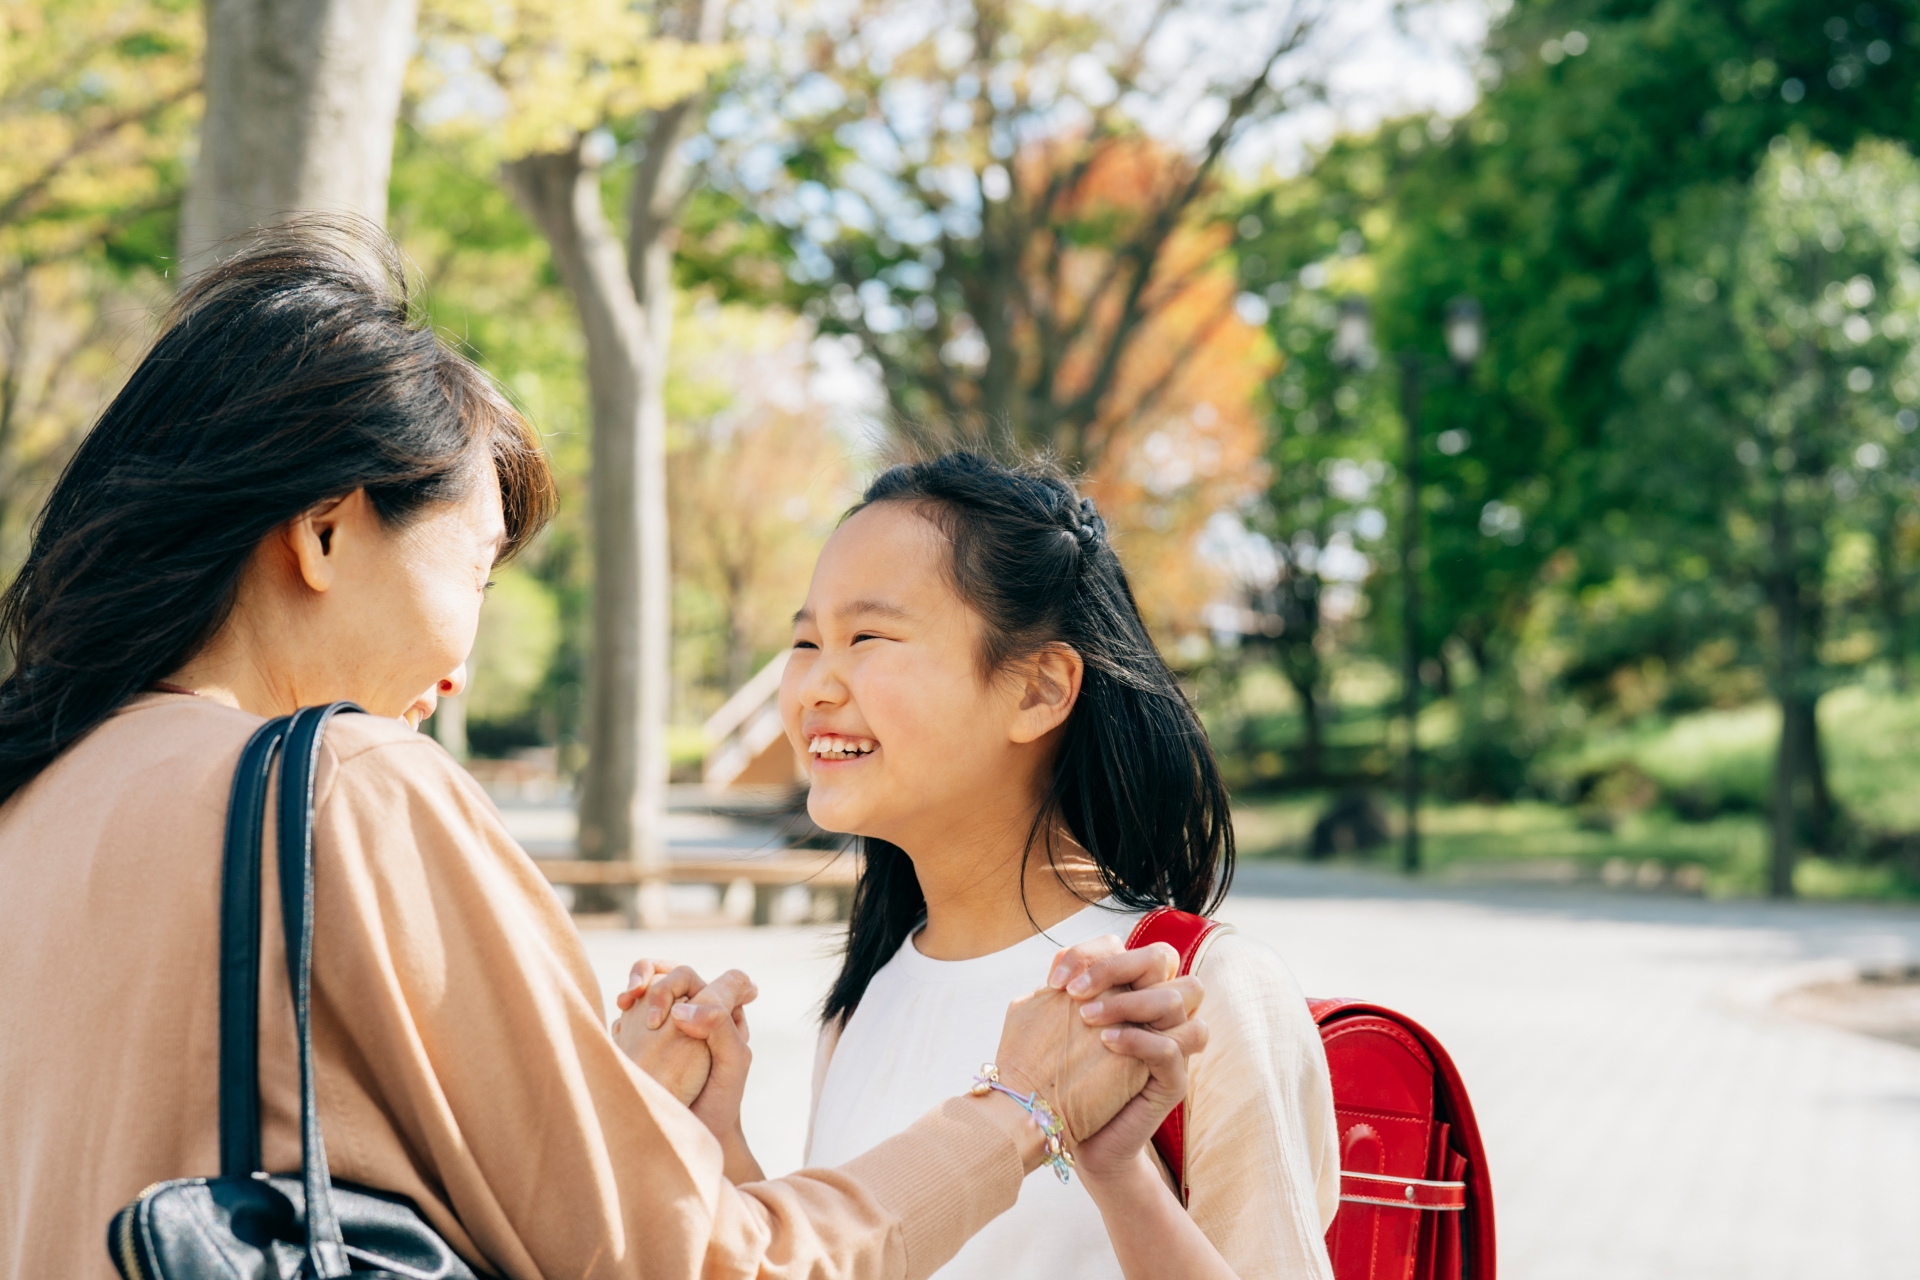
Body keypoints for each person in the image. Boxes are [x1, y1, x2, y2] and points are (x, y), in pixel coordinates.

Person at [0, 222, 1206, 1280]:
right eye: (474, 568)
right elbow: (703, 1267)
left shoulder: (38, 798)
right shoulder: (346, 789)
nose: (464, 660)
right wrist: (1022, 1106)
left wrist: (587, 1104)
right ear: (324, 532)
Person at [764, 453, 1339, 1279]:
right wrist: (713, 1134)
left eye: (867, 636)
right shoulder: (860, 1002)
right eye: (805, 639)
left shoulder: (1184, 992)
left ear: (1038, 689)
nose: (815, 683)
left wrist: (1117, 1171)